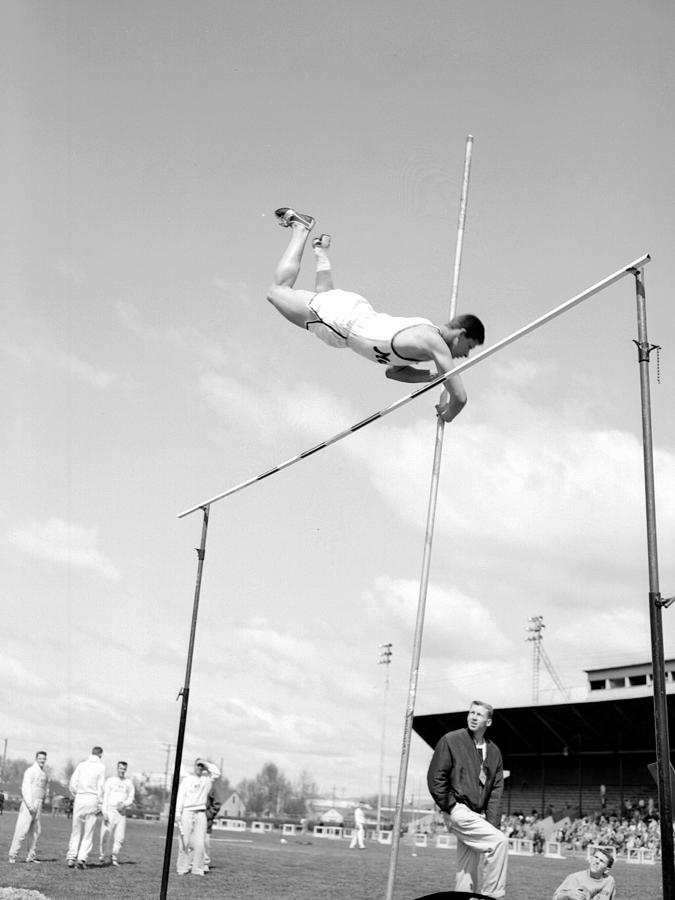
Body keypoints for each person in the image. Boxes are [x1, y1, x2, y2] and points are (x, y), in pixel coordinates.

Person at [267, 208, 485, 424]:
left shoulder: (424, 346)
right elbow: (461, 398)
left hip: (351, 318)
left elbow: (393, 372)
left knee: (326, 297)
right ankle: (301, 228)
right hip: (344, 322)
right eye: (470, 346)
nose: (466, 354)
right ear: (461, 333)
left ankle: (321, 254)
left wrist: (429, 377)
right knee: (277, 291)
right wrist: (448, 413)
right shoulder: (433, 342)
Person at [427, 700, 508, 899]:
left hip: (477, 814)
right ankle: (492, 895)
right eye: (471, 712)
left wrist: (493, 824)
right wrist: (451, 807)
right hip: (458, 810)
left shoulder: (494, 751)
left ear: (488, 722)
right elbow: (436, 777)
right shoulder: (451, 740)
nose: (473, 717)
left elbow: (496, 791)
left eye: (479, 715)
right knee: (499, 842)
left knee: (467, 870)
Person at [175, 757, 220, 877]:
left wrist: (206, 764)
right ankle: (182, 868)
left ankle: (198, 868)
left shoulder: (206, 779)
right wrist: (178, 814)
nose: (199, 768)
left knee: (200, 843)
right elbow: (180, 797)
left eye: (201, 766)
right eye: (197, 765)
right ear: (194, 767)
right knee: (184, 842)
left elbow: (216, 773)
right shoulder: (187, 780)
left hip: (201, 813)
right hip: (187, 812)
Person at [66, 745, 106, 869]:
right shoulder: (101, 767)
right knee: (88, 832)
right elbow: (101, 787)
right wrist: (100, 803)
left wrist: (76, 794)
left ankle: (71, 856)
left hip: (80, 797)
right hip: (92, 798)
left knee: (76, 829)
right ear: (100, 755)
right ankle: (82, 858)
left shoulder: (81, 765)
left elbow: (73, 783)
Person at [8, 750, 49, 863]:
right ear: (36, 758)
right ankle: (13, 855)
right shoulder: (30, 771)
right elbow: (25, 789)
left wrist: (41, 801)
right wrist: (30, 805)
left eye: (44, 759)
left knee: (36, 831)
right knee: (22, 830)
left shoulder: (44, 773)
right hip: (29, 803)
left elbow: (44, 789)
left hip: (39, 802)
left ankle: (31, 855)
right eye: (40, 758)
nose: (42, 760)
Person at [99, 760, 135, 866]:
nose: (122, 771)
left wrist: (124, 804)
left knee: (120, 837)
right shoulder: (110, 780)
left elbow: (131, 798)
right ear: (117, 768)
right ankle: (103, 856)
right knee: (105, 835)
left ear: (126, 770)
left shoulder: (129, 783)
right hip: (110, 810)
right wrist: (104, 812)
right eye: (120, 768)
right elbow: (105, 797)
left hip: (121, 812)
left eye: (124, 769)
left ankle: (114, 856)